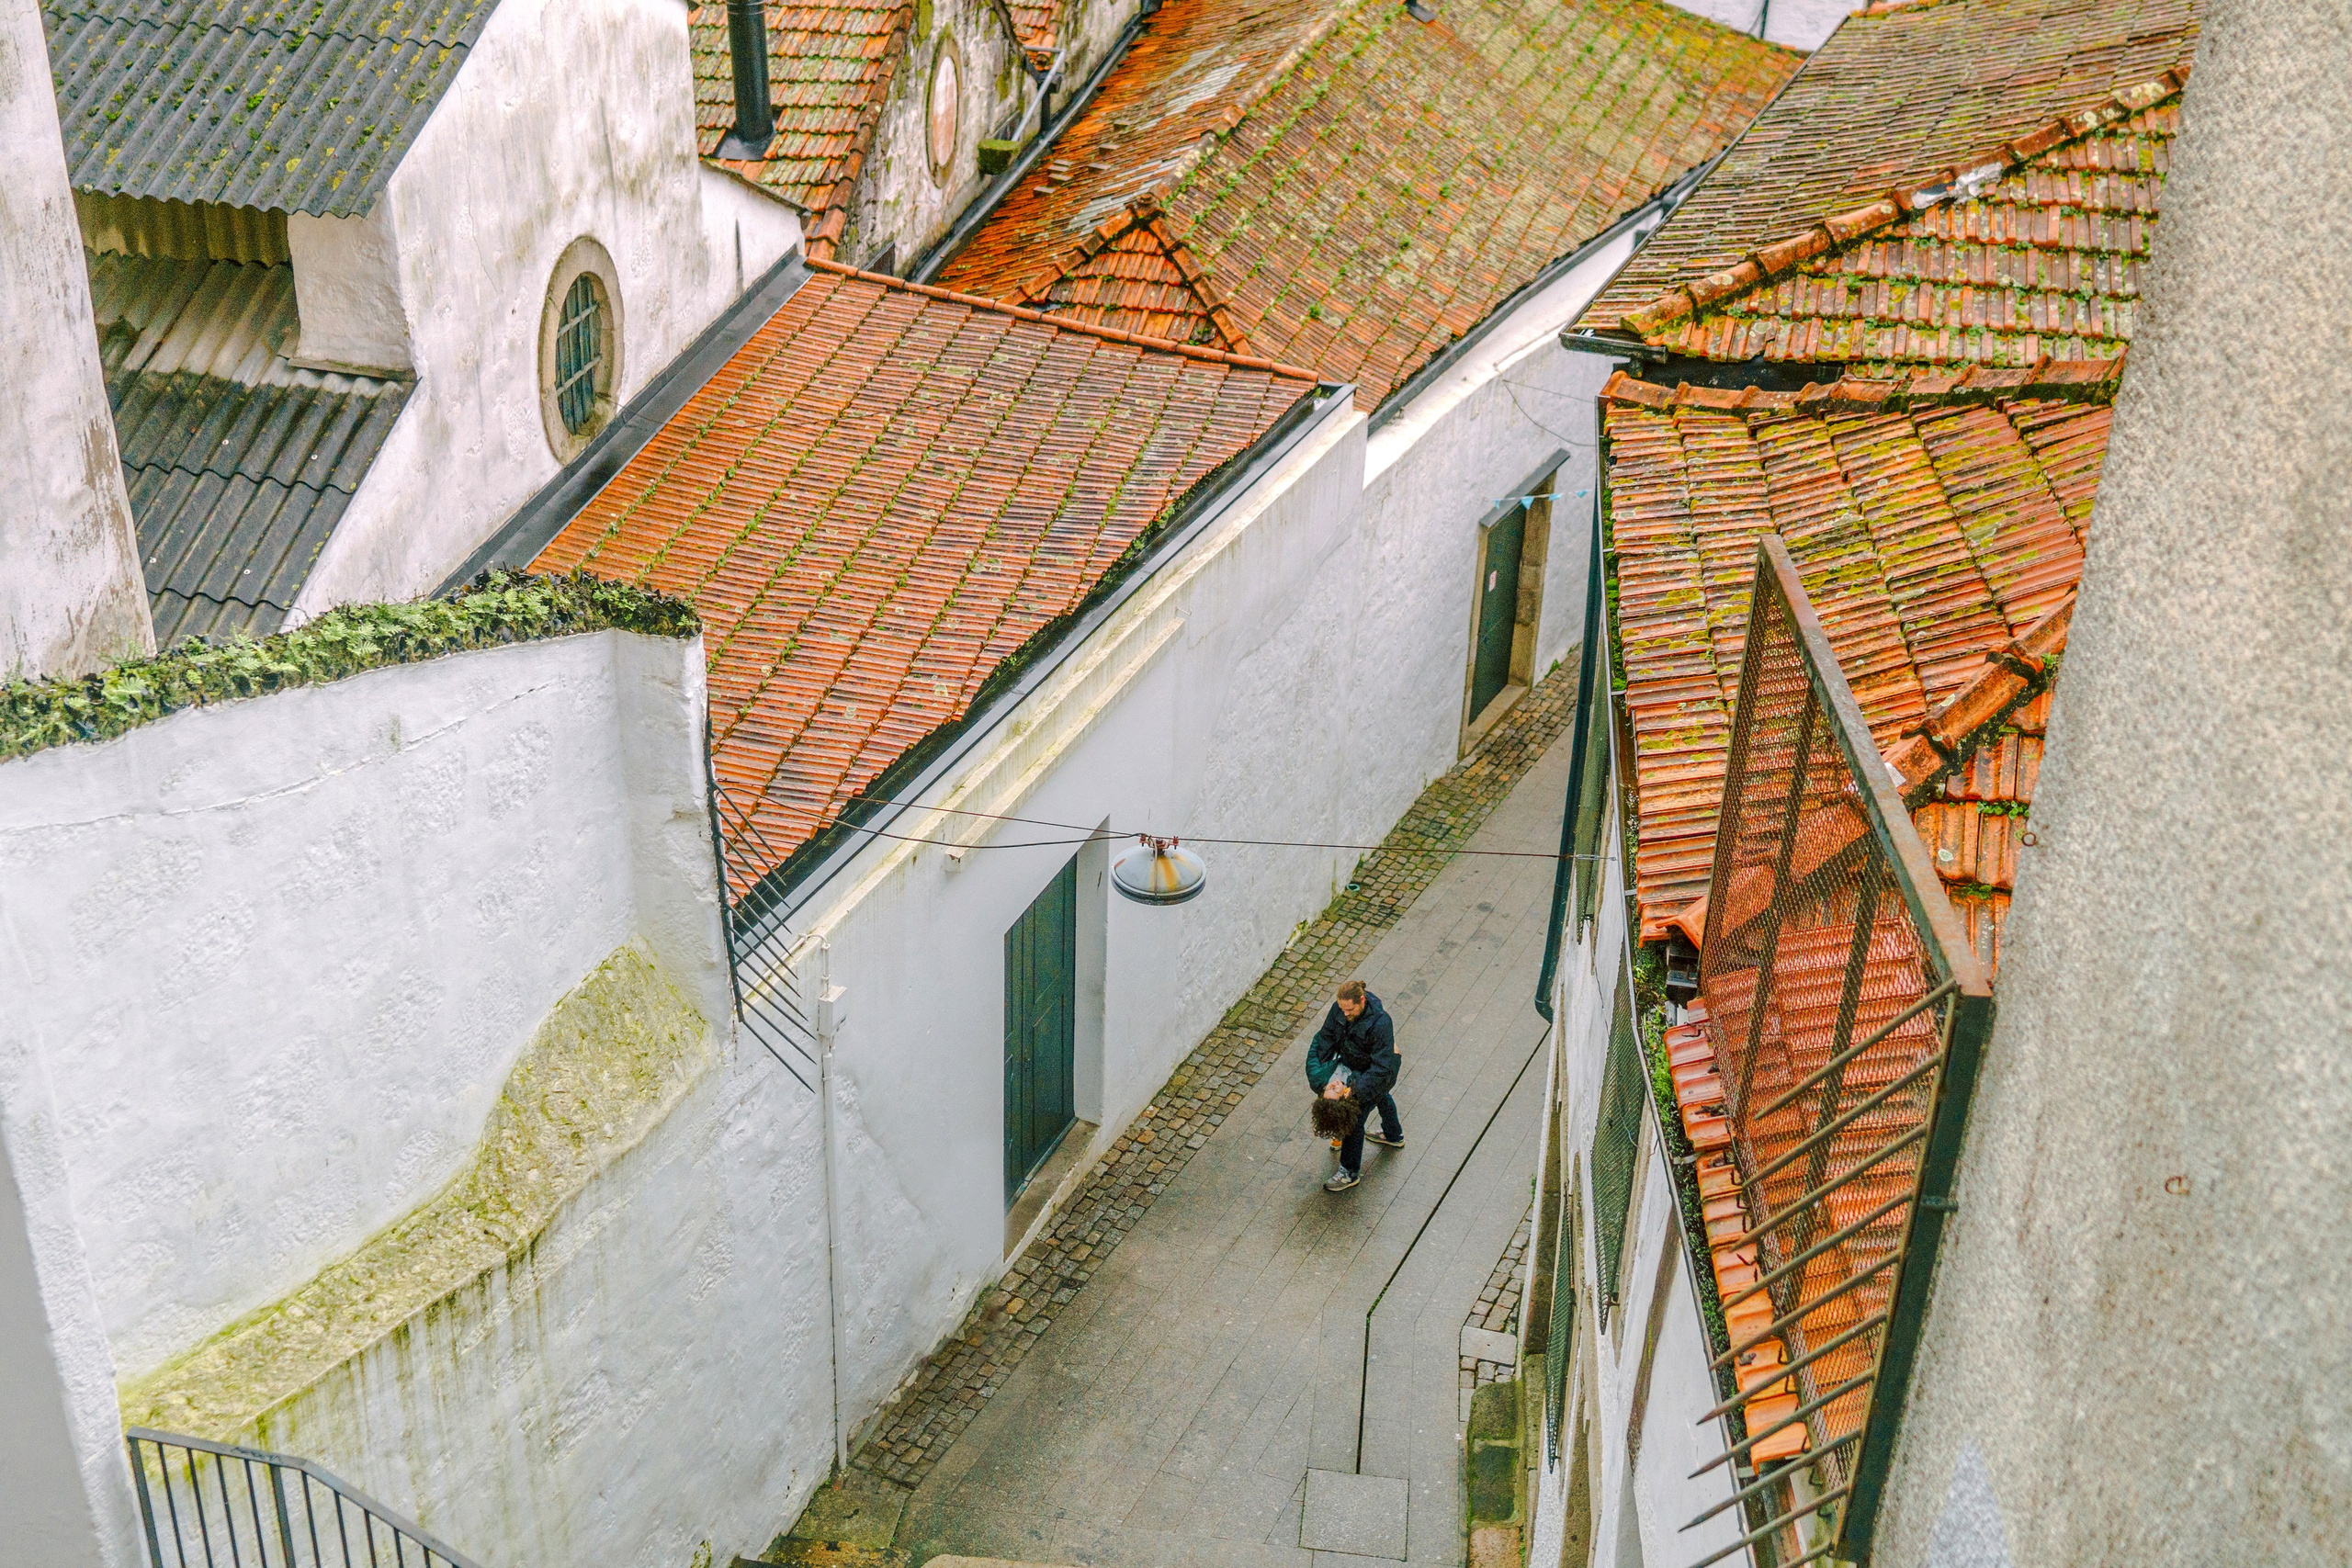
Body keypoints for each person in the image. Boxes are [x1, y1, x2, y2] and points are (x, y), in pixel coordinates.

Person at [1306, 979, 1402, 1192]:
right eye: (1341, 1009)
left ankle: (1349, 1172)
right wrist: (1325, 1070)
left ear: (1362, 1000)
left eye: (1349, 1010)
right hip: (1355, 1066)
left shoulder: (1381, 1022)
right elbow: (1327, 1037)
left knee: (1355, 1119)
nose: (1345, 1014)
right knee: (1381, 1097)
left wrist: (1355, 1089)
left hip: (1380, 1072)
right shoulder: (1339, 1009)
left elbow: (1380, 1069)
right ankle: (1394, 1135)